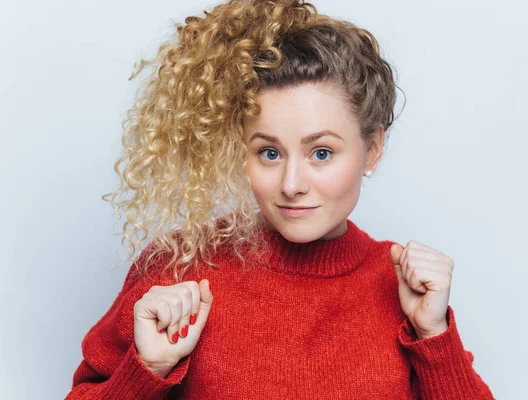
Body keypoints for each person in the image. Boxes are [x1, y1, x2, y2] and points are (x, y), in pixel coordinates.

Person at [67, 0, 494, 398]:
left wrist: (433, 335)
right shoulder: (180, 266)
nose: (292, 184)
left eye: (321, 153)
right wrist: (148, 370)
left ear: (373, 149)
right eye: (269, 153)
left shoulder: (404, 289)